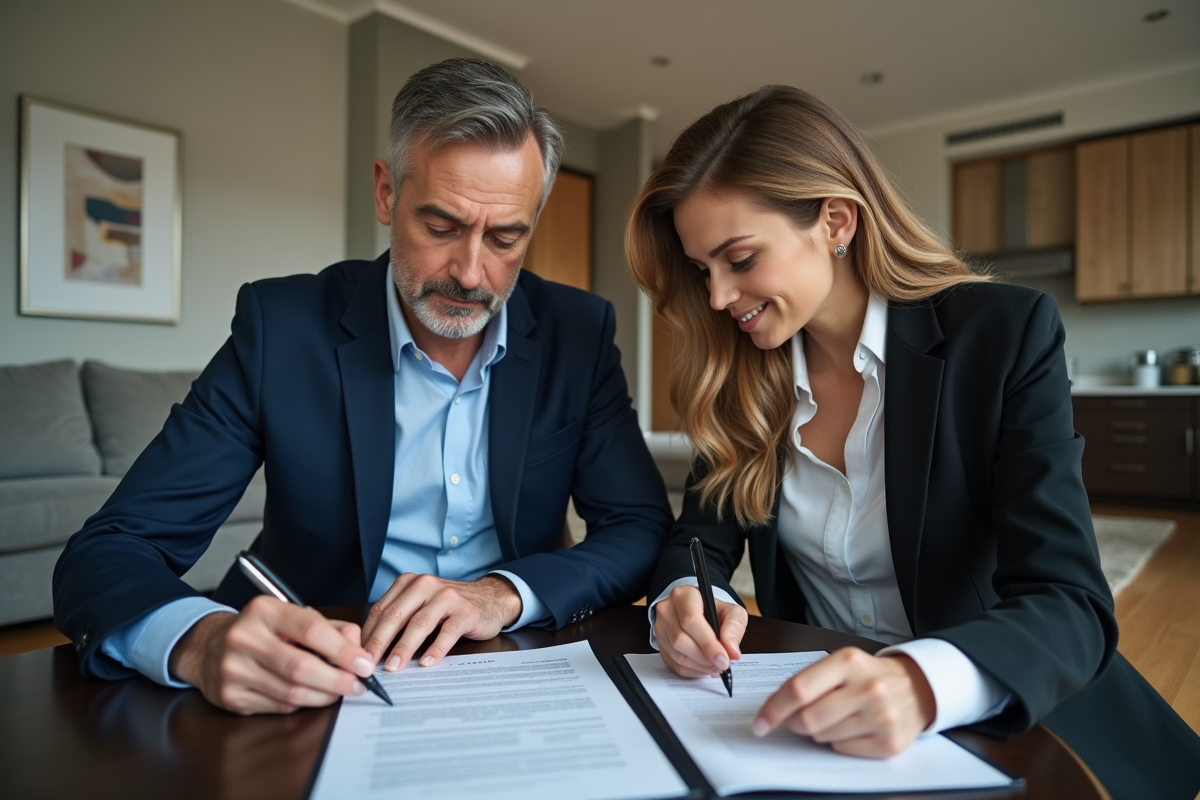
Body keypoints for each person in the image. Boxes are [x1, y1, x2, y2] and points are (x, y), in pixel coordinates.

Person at [626, 85, 1200, 800]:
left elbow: (1069, 599)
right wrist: (685, 595)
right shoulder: (736, 378)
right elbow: (700, 538)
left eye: (739, 259)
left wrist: (922, 682)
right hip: (819, 727)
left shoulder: (1003, 334)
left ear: (835, 220)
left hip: (1008, 712)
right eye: (701, 270)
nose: (717, 297)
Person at [53, 58, 673, 715]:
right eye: (441, 227)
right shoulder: (281, 330)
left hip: (515, 668)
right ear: (385, 193)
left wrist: (504, 593)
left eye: (505, 238)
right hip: (318, 675)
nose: (470, 273)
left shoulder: (578, 333)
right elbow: (108, 552)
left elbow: (637, 525)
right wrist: (200, 642)